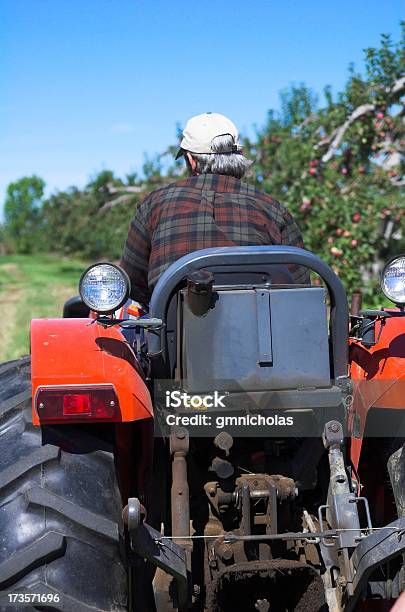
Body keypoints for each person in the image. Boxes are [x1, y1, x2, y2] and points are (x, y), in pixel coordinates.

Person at [120, 112, 309, 308]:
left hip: (173, 335)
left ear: (191, 161)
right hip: (261, 334)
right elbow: (300, 288)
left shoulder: (155, 203)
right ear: (238, 157)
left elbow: (133, 282)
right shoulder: (273, 208)